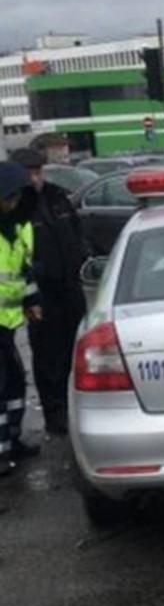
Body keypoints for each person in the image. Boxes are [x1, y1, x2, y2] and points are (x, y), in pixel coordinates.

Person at [11, 148, 86, 438]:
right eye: (30, 172)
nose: (35, 177)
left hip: (71, 288)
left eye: (38, 171)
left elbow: (76, 231)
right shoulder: (15, 206)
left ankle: (74, 409)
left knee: (74, 352)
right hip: (41, 293)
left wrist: (81, 253)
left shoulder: (57, 197)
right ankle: (55, 416)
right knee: (48, 357)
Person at [0, 160, 41, 470]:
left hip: (9, 322)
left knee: (14, 383)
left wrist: (32, 301)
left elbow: (21, 272)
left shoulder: (20, 227)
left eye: (16, 198)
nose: (12, 203)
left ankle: (12, 441)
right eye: (8, 197)